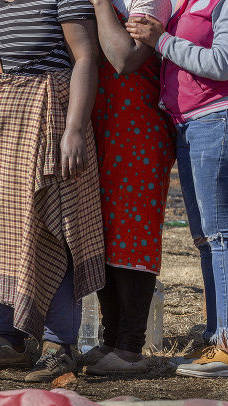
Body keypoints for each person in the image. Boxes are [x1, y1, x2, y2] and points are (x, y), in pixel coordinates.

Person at [0, 0, 105, 382]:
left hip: (44, 125)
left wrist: (75, 128)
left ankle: (58, 345)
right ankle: (9, 341)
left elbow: (85, 57)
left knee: (52, 227)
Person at [127, 0, 228, 377]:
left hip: (216, 118)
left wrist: (163, 41)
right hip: (188, 125)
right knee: (207, 239)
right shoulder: (186, 2)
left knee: (221, 236)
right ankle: (215, 337)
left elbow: (223, 63)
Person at [77, 0, 175, 375]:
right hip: (101, 127)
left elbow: (124, 58)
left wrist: (100, 3)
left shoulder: (147, 1)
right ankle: (111, 338)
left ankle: (131, 347)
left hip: (138, 129)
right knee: (102, 234)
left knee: (133, 233)